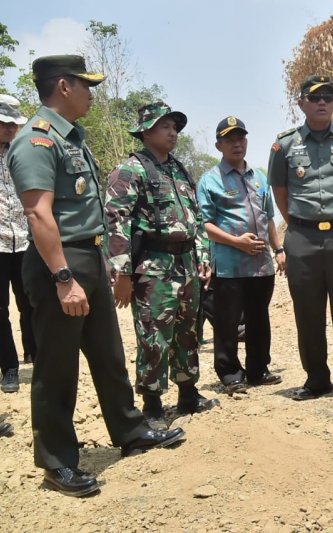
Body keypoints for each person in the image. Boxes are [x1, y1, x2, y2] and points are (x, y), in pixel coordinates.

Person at [7, 54, 185, 498]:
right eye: (86, 85)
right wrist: (64, 278)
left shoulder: (71, 137)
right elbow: (38, 212)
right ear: (63, 86)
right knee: (57, 367)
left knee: (108, 353)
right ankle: (57, 462)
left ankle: (130, 431)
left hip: (88, 256)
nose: (92, 93)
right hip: (59, 263)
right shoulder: (37, 140)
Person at [105, 101, 216, 429]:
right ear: (146, 131)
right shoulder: (130, 171)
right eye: (165, 127)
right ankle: (152, 404)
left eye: (175, 127)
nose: (173, 133)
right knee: (154, 334)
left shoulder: (179, 170)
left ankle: (188, 392)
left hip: (186, 263)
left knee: (188, 331)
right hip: (154, 266)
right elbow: (115, 222)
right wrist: (123, 273)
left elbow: (197, 217)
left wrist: (204, 257)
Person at [268, 75, 333, 407]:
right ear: (301, 104)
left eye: (328, 96)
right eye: (314, 98)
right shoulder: (284, 145)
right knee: (308, 312)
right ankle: (317, 379)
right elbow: (280, 193)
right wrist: (300, 221)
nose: (322, 102)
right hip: (302, 237)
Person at [197, 116, 284, 394]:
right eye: (230, 139)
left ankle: (259, 369)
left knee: (259, 318)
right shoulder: (210, 180)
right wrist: (237, 242)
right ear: (218, 145)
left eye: (241, 138)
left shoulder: (259, 176)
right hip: (229, 266)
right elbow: (205, 225)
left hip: (261, 266)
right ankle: (230, 373)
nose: (237, 144)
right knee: (227, 322)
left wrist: (279, 248)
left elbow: (269, 217)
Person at [0, 94, 36, 394]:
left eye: (15, 124)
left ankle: (34, 355)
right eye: (6, 123)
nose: (12, 128)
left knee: (32, 303)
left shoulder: (22, 153)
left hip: (26, 240)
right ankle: (9, 367)